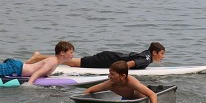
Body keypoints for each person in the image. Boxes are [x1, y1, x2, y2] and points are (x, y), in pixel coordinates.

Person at [84, 61, 159, 103]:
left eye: (112, 74)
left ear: (123, 76)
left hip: (141, 99)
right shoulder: (110, 84)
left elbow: (152, 95)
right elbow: (88, 91)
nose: (109, 76)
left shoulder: (131, 82)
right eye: (109, 73)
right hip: (126, 100)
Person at [27, 42, 166, 70]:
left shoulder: (146, 56)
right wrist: (116, 73)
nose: (163, 57)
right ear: (154, 52)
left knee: (73, 62)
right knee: (73, 62)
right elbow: (130, 64)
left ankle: (39, 57)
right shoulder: (146, 59)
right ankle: (38, 57)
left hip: (109, 57)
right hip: (107, 60)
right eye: (162, 54)